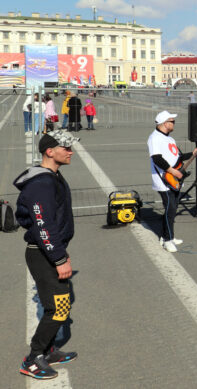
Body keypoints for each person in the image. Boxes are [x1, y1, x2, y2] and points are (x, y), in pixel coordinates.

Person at [14, 130, 80, 380]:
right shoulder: (41, 183)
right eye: (66, 148)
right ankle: (33, 359)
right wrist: (60, 258)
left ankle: (49, 350)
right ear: (50, 152)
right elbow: (43, 225)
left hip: (50, 250)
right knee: (59, 309)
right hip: (42, 253)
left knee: (61, 306)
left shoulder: (52, 176)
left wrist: (62, 253)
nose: (71, 151)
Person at [148, 111, 197, 252]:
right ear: (164, 123)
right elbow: (157, 159)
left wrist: (193, 153)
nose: (174, 123)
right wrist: (173, 172)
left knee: (172, 210)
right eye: (172, 121)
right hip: (164, 180)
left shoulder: (170, 139)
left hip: (174, 179)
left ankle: (168, 236)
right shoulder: (154, 138)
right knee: (170, 209)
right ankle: (167, 240)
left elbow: (178, 158)